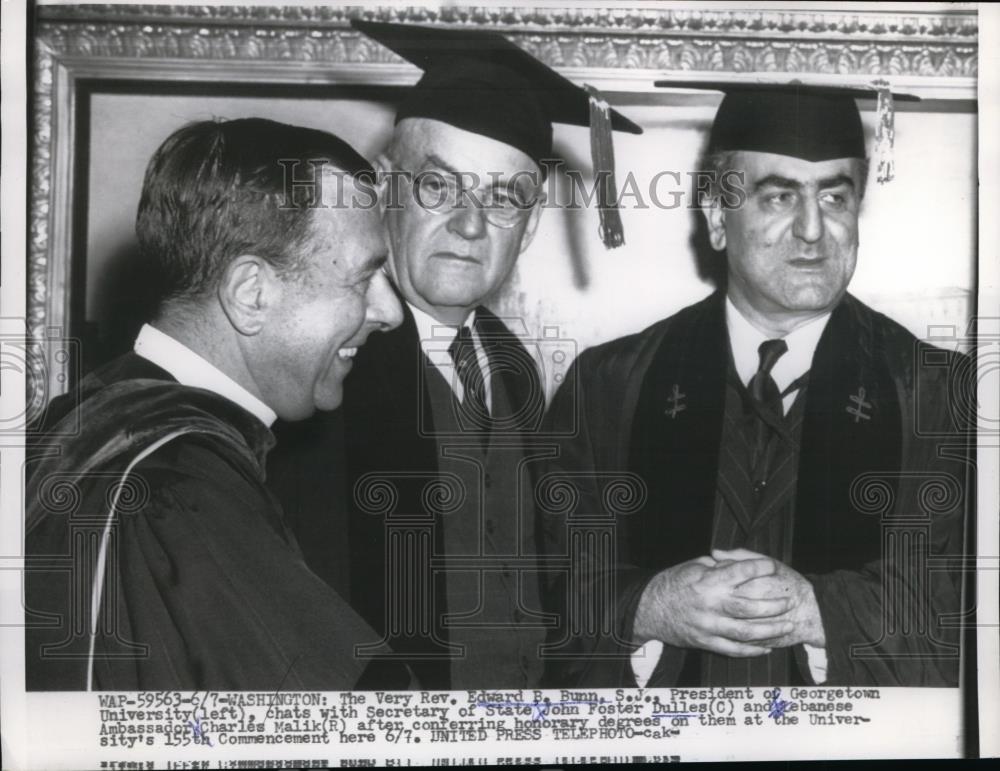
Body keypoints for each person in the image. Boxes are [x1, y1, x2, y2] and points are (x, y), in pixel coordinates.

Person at [539, 82, 972, 688]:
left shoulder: (937, 395)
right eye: (778, 197)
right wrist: (649, 606)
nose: (814, 230)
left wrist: (816, 611)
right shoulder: (609, 386)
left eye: (836, 197)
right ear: (717, 216)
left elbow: (962, 610)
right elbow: (541, 594)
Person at [267, 20, 641, 689]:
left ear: (526, 232)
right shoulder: (316, 366)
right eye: (439, 187)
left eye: (504, 200)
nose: (471, 225)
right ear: (385, 186)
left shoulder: (514, 365)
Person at [25, 118, 405, 690]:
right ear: (251, 293)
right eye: (363, 278)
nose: (389, 312)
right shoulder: (178, 485)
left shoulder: (76, 423)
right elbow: (355, 722)